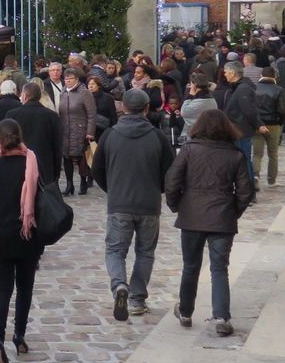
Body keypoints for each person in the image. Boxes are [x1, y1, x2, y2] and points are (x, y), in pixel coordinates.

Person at [165, 110, 253, 337]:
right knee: (219, 269)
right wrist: (232, 212)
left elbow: (172, 181)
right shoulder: (235, 154)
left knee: (190, 266)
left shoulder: (189, 150)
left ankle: (185, 312)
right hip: (222, 216)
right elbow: (245, 192)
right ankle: (222, 316)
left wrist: (177, 206)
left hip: (192, 216)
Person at [91, 89, 175, 321]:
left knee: (115, 250)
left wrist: (113, 188)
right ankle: (137, 299)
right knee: (145, 252)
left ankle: (120, 286)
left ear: (123, 108)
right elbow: (171, 171)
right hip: (149, 204)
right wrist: (157, 188)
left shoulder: (109, 135)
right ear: (146, 108)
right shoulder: (157, 137)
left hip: (119, 202)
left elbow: (96, 168)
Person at [0, 120, 44, 363]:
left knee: (2, 291)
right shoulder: (32, 163)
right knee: (25, 288)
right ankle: (20, 337)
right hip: (28, 236)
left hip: (0, 238)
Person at [8, 81, 63, 183]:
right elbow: (57, 146)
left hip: (19, 164)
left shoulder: (12, 115)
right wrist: (56, 171)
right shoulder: (52, 116)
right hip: (44, 165)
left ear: (24, 96)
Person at [217, 60, 260, 190]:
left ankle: (249, 191)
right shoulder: (239, 87)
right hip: (238, 130)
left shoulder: (243, 88)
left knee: (245, 161)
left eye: (226, 71)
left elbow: (249, 110)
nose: (224, 74)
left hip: (240, 131)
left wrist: (258, 124)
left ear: (232, 72)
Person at [58, 67, 97, 196]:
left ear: (77, 79)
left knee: (81, 157)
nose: (67, 81)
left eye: (70, 78)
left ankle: (83, 181)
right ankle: (69, 184)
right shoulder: (63, 91)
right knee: (66, 156)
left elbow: (91, 114)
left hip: (80, 129)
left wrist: (90, 132)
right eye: (66, 78)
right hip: (65, 129)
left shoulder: (84, 92)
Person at [253, 66, 285, 189]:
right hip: (273, 124)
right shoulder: (279, 90)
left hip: (257, 124)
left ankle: (255, 175)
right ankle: (271, 180)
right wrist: (280, 122)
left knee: (257, 153)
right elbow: (282, 110)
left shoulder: (254, 88)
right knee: (273, 153)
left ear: (261, 74)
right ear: (274, 76)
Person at [180, 73, 218, 138]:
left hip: (197, 135)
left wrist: (190, 95)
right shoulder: (211, 99)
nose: (190, 86)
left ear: (195, 85)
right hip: (207, 133)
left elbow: (183, 112)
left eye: (191, 84)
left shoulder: (201, 101)